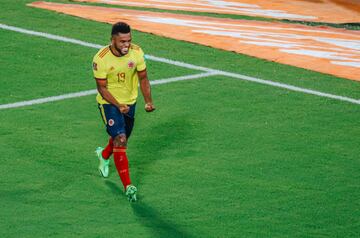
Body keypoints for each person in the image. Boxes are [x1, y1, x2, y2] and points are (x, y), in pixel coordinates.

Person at [92, 22, 155, 202]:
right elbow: (102, 89)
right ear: (112, 40)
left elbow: (143, 78)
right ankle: (128, 186)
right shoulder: (101, 58)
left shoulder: (137, 52)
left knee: (122, 138)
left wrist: (148, 101)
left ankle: (103, 155)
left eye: (128, 40)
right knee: (121, 139)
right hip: (109, 103)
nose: (126, 45)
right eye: (122, 42)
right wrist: (118, 105)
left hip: (130, 102)